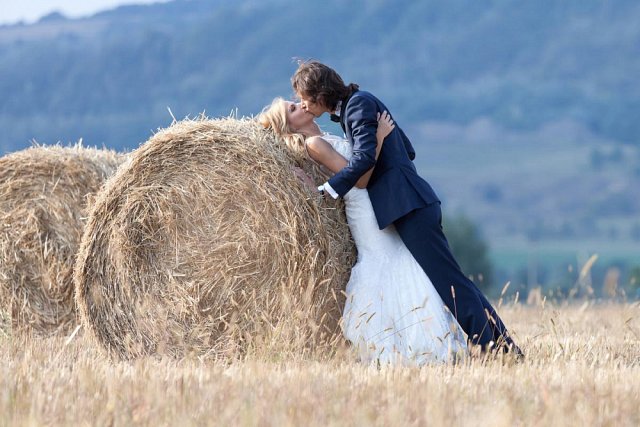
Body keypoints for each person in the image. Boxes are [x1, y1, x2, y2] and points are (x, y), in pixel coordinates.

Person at [291, 60, 522, 357]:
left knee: (450, 285)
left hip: (409, 206)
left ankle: (495, 350)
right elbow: (407, 149)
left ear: (320, 93)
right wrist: (384, 143)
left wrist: (326, 190)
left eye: (305, 98)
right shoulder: (356, 106)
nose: (304, 105)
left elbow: (364, 162)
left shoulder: (358, 106)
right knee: (454, 281)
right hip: (410, 203)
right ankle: (502, 349)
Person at [259, 97, 468, 365]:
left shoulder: (323, 138)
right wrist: (378, 138)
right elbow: (360, 179)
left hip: (371, 201)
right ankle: (411, 348)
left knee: (398, 261)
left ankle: (414, 345)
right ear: (289, 124)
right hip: (364, 206)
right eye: (292, 108)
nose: (300, 105)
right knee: (390, 261)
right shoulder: (315, 143)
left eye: (297, 102)